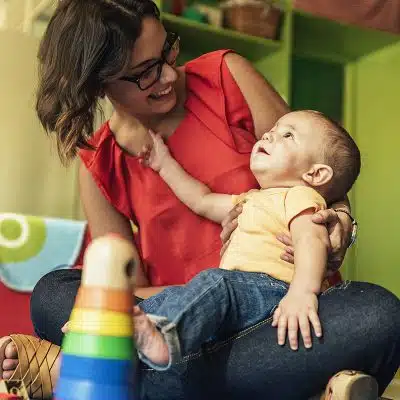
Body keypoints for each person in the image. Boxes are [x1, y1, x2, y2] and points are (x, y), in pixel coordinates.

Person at [0, 0, 398, 399]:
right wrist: (199, 302)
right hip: (177, 323)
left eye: (166, 51)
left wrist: (342, 222)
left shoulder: (227, 75)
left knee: (378, 315)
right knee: (53, 292)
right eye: (144, 73)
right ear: (97, 84)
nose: (169, 74)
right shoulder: (99, 162)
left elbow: (318, 167)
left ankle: (86, 372)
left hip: (278, 315)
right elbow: (125, 286)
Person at [130, 109, 361, 370]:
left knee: (214, 283)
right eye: (273, 129)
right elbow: (201, 200)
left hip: (276, 292)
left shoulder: (301, 197)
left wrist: (302, 292)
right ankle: (112, 326)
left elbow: (312, 240)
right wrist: (164, 164)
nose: (270, 134)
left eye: (287, 135)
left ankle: (163, 341)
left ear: (315, 175)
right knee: (177, 294)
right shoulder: (251, 199)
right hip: (241, 294)